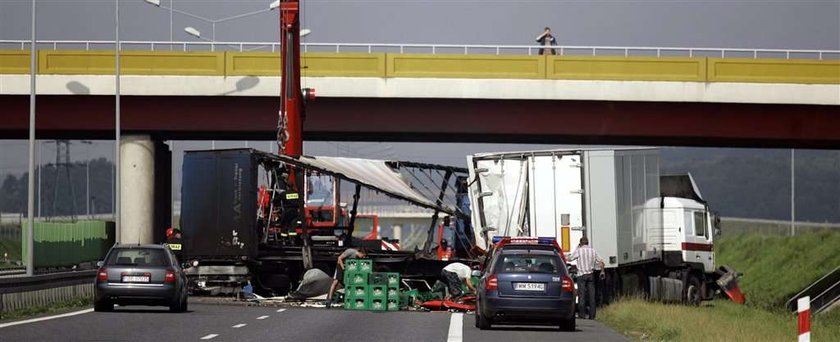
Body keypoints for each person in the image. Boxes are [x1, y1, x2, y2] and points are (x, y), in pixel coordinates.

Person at [566, 236, 605, 319]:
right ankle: (592, 315)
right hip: (591, 275)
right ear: (587, 243)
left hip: (581, 275)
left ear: (580, 243)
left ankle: (582, 314)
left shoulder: (579, 251)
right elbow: (601, 261)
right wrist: (602, 271)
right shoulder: (593, 251)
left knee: (582, 295)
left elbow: (570, 259)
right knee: (592, 296)